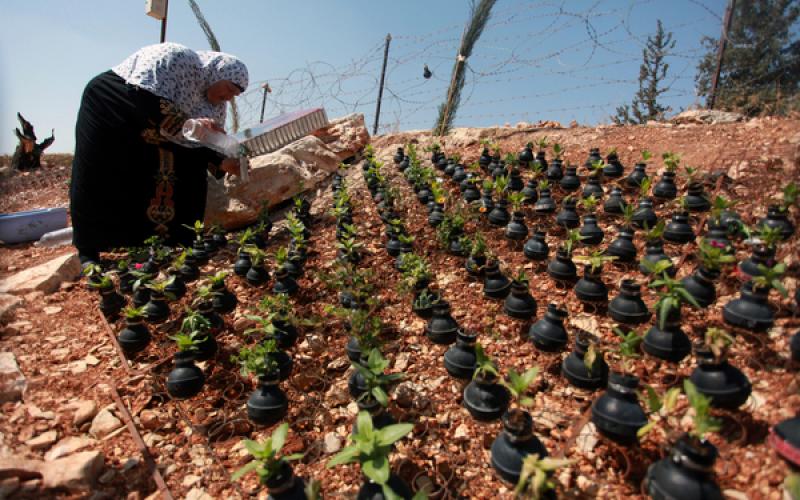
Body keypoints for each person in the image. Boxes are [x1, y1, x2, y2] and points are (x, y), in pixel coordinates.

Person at [69, 42, 249, 265]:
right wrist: (188, 123)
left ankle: (171, 240)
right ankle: (88, 250)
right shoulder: (176, 59)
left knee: (186, 170)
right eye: (230, 89)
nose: (229, 97)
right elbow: (144, 97)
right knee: (102, 170)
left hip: (159, 125)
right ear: (217, 72)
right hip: (114, 104)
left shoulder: (214, 108)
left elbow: (195, 145)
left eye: (236, 95)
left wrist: (222, 162)